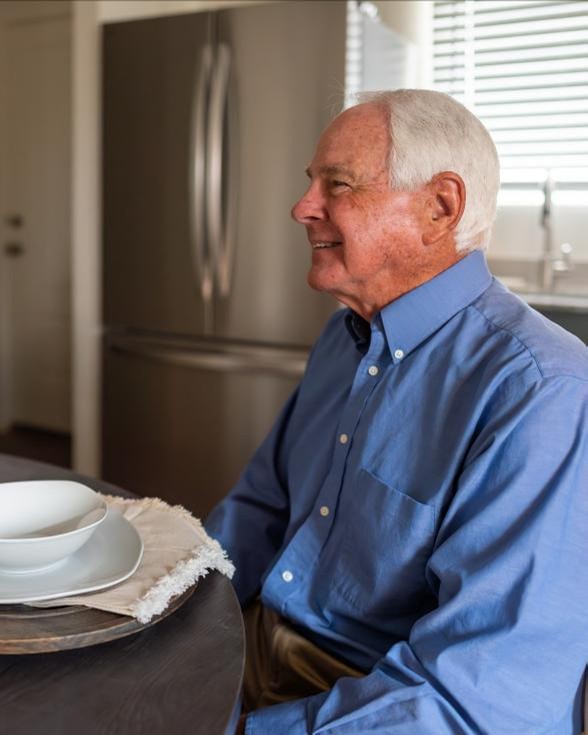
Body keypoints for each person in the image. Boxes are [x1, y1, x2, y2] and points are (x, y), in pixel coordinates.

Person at [205, 89, 588, 734]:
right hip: (253, 644)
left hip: (375, 700)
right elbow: (258, 511)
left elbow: (482, 700)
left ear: (440, 209)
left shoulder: (543, 392)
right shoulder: (342, 337)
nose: (302, 208)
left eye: (340, 184)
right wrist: (167, 618)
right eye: (311, 183)